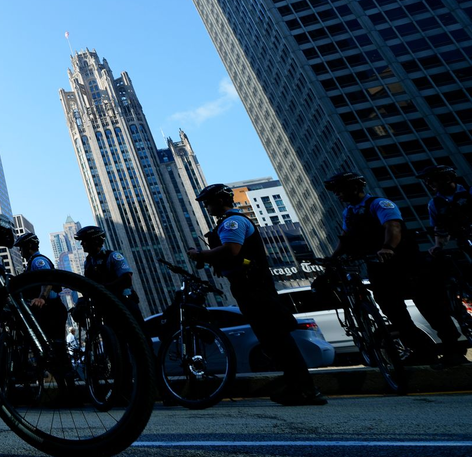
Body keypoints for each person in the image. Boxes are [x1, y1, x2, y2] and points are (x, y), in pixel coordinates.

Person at [188, 183, 326, 405]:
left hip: (254, 287)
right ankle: (297, 386)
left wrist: (200, 255)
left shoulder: (232, 222)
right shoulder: (228, 222)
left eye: (208, 202)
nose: (206, 207)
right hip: (249, 286)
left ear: (220, 201)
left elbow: (232, 250)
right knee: (271, 340)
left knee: (277, 338)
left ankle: (306, 389)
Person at [324, 171, 466, 368]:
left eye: (340, 190)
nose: (337, 195)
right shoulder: (349, 212)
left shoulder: (380, 204)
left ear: (354, 187)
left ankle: (454, 351)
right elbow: (345, 237)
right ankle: (422, 351)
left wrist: (388, 247)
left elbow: (393, 227)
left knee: (428, 305)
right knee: (392, 311)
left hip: (405, 262)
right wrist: (331, 259)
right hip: (378, 266)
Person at [76, 226, 142, 321]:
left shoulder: (113, 256)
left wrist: (103, 288)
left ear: (94, 241)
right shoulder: (88, 262)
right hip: (105, 308)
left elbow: (126, 279)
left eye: (84, 241)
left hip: (124, 303)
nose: (82, 244)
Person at [419, 164, 472, 254]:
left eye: (431, 180)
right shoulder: (434, 204)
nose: (428, 183)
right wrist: (438, 245)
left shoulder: (469, 192)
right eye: (426, 181)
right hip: (466, 243)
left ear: (447, 178)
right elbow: (440, 228)